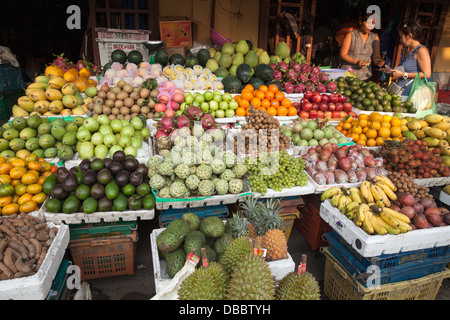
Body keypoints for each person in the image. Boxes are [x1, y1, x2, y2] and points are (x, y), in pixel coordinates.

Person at [391, 21, 432, 99]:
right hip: (403, 92)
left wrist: (403, 74)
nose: (400, 39)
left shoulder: (421, 50)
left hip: (411, 95)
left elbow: (426, 74)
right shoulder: (410, 50)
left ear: (409, 36)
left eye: (401, 36)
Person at [340, 14, 384, 80]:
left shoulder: (375, 37)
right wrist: (356, 62)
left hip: (365, 75)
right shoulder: (351, 35)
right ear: (361, 22)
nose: (370, 26)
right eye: (368, 23)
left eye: (373, 24)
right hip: (348, 75)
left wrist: (379, 61)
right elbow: (343, 55)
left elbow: (376, 57)